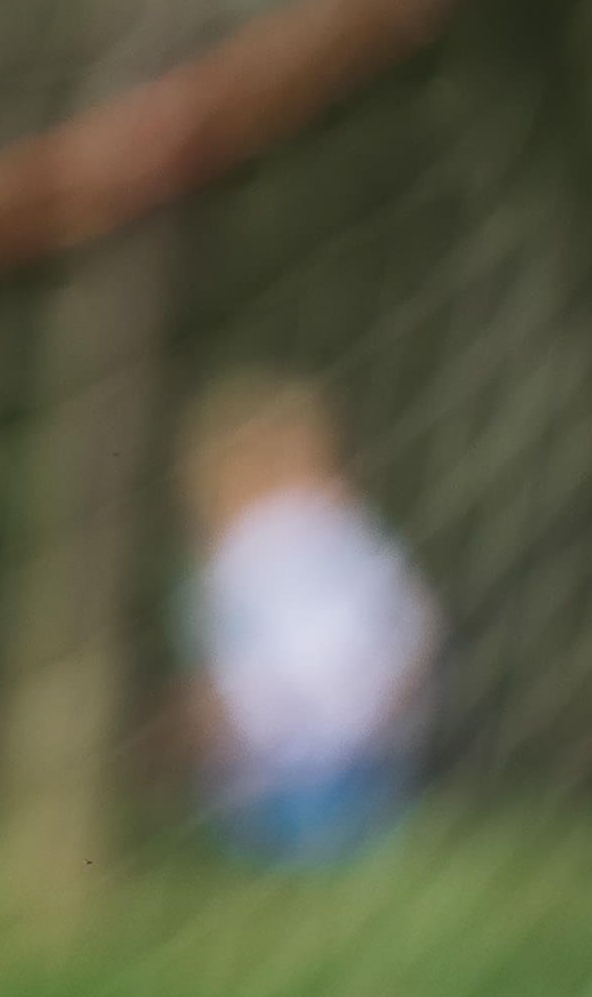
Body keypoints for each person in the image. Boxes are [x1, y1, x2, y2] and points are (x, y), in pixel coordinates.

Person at [179, 371, 435, 868]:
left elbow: (407, 625)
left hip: (348, 752)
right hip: (276, 763)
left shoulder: (339, 541)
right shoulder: (229, 568)